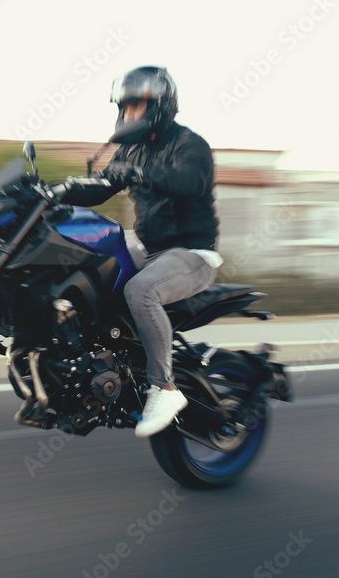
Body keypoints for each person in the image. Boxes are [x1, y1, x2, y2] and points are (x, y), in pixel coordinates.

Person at [62, 65, 221, 438]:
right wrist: (54, 190)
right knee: (89, 268)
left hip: (192, 254)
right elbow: (101, 187)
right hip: (150, 249)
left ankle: (164, 389)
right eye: (126, 106)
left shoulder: (189, 144)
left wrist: (141, 174)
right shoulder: (131, 148)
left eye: (138, 105)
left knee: (140, 290)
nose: (130, 113)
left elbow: (191, 181)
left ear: (160, 106)